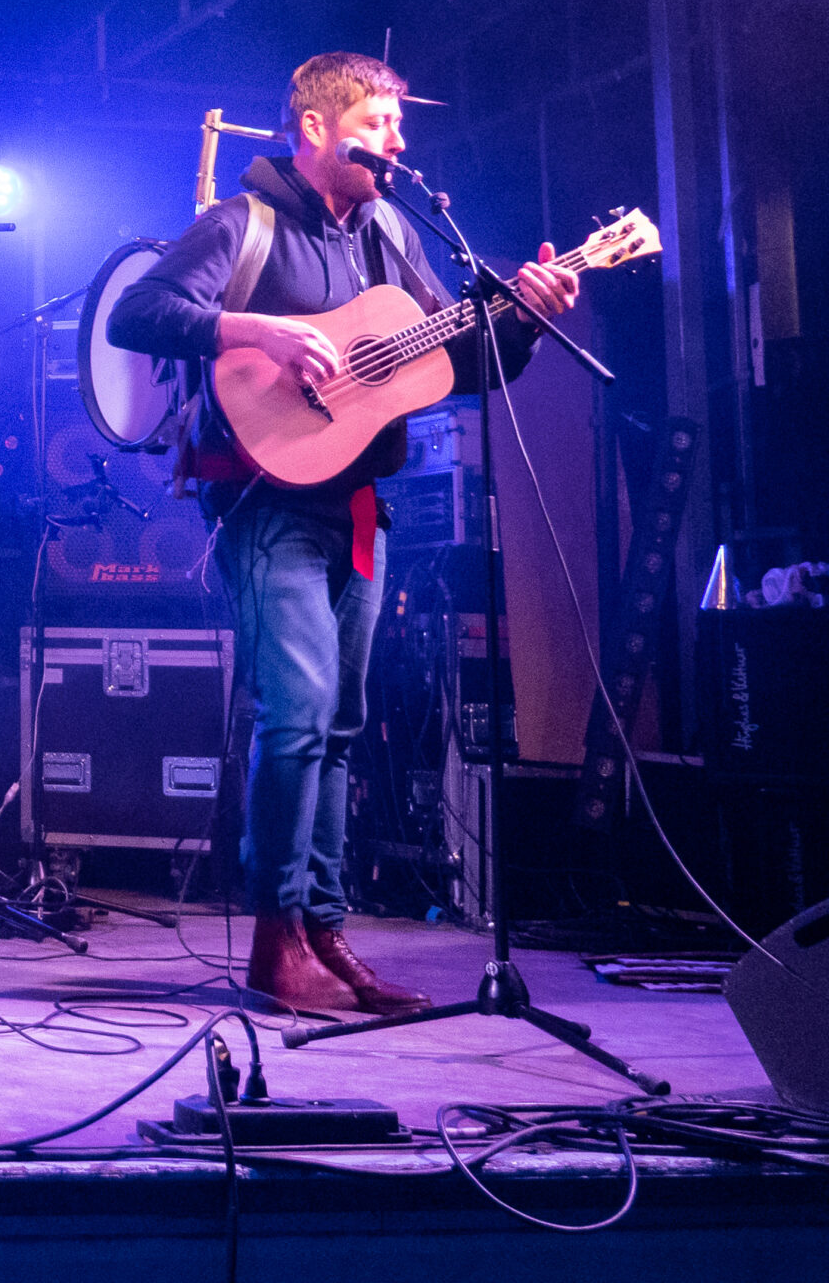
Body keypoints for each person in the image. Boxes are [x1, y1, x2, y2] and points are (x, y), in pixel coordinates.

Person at [106, 52, 578, 1014]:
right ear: (316, 127)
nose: (397, 141)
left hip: (357, 504)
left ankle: (327, 934)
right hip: (264, 501)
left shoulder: (393, 235)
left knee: (343, 722)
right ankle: (275, 935)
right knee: (301, 712)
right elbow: (136, 312)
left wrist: (522, 321)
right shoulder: (243, 224)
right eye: (378, 121)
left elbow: (454, 364)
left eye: (401, 125)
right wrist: (257, 333)